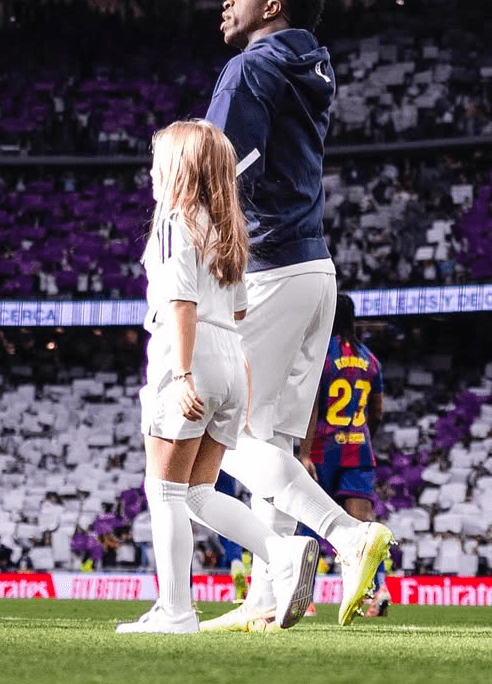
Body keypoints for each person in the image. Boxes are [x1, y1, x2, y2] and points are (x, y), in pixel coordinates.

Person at [200, 0, 393, 630]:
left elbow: (219, 171)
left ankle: (347, 537)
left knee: (223, 438)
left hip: (271, 267)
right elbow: (272, 39)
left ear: (270, 3)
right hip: (315, 269)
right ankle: (268, 591)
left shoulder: (247, 72)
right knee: (272, 444)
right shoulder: (308, 54)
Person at [117, 120, 319, 635]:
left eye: (158, 161)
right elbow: (238, 315)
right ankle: (281, 550)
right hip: (230, 356)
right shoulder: (229, 229)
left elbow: (180, 303)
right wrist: (239, 384)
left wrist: (181, 372)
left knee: (163, 492)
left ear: (178, 168)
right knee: (197, 493)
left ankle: (176, 612)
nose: (152, 172)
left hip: (188, 354)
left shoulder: (173, 221)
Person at [298, 294, 389, 618]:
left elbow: (312, 405)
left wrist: (305, 453)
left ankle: (304, 598)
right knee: (360, 529)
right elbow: (377, 411)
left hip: (324, 449)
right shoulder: (370, 359)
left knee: (310, 524)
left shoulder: (322, 355)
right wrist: (364, 438)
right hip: (359, 447)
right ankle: (377, 592)